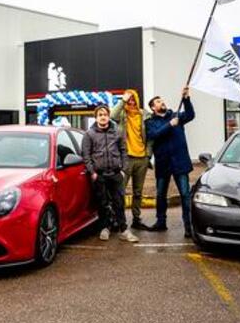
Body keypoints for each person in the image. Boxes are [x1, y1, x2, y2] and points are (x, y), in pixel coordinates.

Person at [81, 105, 140, 243]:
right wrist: (92, 172)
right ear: (96, 118)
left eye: (105, 115)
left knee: (119, 202)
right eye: (100, 115)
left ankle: (124, 230)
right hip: (99, 175)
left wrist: (123, 170)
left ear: (109, 116)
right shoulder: (89, 134)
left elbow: (124, 151)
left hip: (116, 173)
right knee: (102, 203)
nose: (103, 117)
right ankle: (105, 228)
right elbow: (86, 155)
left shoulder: (117, 132)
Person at [145, 86, 195, 238]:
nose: (162, 103)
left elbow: (191, 115)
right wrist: (169, 125)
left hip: (180, 162)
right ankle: (161, 222)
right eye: (158, 102)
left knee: (185, 195)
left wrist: (186, 99)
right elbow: (154, 135)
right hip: (163, 163)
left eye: (162, 100)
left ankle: (188, 226)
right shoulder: (150, 122)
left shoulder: (176, 115)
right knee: (161, 195)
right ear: (153, 108)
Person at [110, 89, 154, 231]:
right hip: (126, 158)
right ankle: (118, 220)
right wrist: (122, 101)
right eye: (129, 100)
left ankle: (136, 219)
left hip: (142, 159)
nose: (131, 102)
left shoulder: (144, 114)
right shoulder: (122, 114)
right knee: (120, 191)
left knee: (138, 192)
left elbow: (150, 137)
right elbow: (112, 115)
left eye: (133, 99)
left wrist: (148, 155)